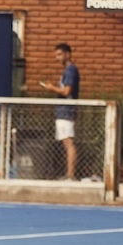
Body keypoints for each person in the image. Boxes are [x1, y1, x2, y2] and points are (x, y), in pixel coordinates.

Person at [39, 43, 80, 181]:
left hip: (66, 111)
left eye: (59, 54)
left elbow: (67, 91)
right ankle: (68, 173)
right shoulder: (67, 71)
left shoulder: (70, 70)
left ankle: (70, 174)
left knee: (68, 143)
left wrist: (52, 88)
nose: (57, 58)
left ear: (67, 54)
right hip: (63, 111)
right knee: (65, 142)